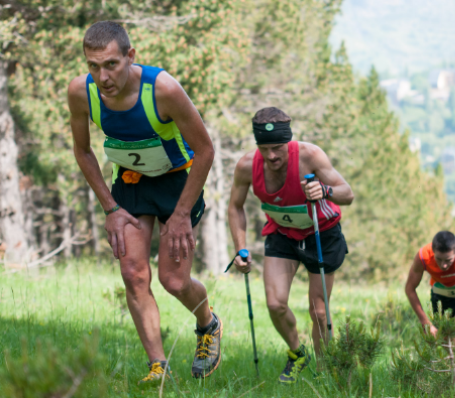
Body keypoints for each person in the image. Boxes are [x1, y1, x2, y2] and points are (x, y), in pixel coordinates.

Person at [67, 21, 221, 383]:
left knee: (174, 281)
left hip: (177, 185)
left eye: (111, 64)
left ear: (130, 56)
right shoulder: (80, 92)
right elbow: (82, 150)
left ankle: (208, 323)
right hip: (131, 183)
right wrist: (110, 208)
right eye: (93, 65)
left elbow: (206, 150)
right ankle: (158, 367)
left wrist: (182, 213)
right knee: (133, 274)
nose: (102, 76)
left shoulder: (162, 88)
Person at [227, 107, 354, 383]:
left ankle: (323, 373)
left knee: (319, 311)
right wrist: (240, 248)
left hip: (322, 233)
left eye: (278, 148)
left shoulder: (310, 156)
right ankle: (298, 353)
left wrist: (325, 190)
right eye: (264, 148)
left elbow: (348, 193)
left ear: (289, 142)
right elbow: (235, 207)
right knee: (275, 304)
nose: (271, 155)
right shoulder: (247, 166)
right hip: (282, 233)